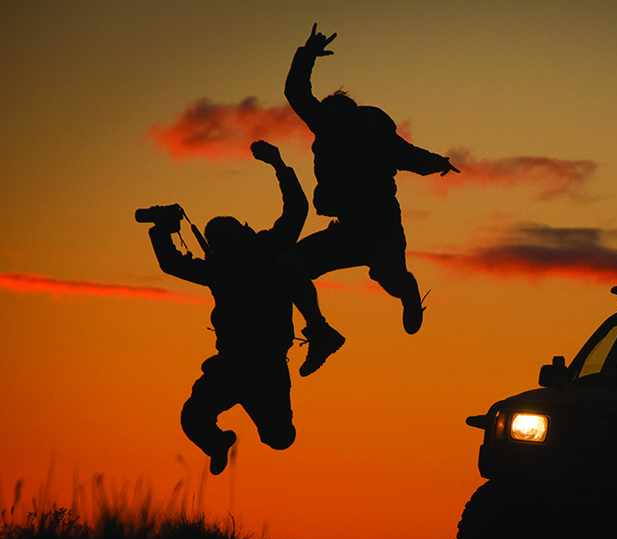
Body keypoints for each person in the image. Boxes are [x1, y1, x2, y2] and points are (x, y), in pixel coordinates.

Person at [280, 23, 460, 377]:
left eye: (333, 122)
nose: (326, 128)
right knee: (288, 266)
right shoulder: (325, 125)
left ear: (349, 119)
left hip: (380, 227)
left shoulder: (375, 138)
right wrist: (307, 56)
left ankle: (407, 292)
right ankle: (321, 332)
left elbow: (408, 156)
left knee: (387, 275)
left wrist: (436, 162)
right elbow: (297, 94)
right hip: (346, 230)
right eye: (324, 122)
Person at [146, 141, 308, 474]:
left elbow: (295, 212)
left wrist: (162, 230)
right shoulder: (242, 259)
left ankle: (220, 440)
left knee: (278, 437)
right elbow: (296, 211)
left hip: (260, 364)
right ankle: (219, 443)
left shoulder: (260, 253)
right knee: (195, 419)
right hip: (239, 364)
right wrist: (279, 166)